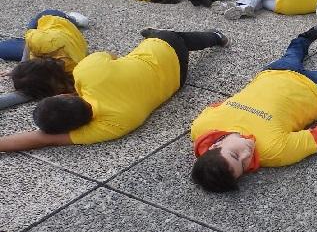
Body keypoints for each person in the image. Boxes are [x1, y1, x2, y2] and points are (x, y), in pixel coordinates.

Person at [190, 26, 317, 193]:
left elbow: (217, 105)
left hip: (274, 72)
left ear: (215, 145)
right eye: (243, 165)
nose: (246, 155)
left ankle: (304, 38)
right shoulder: (273, 152)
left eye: (235, 155)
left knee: (293, 52)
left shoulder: (201, 127)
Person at [0, 28, 229, 152]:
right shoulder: (86, 72)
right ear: (64, 95)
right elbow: (111, 56)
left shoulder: (112, 126)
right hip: (162, 47)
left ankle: (155, 33)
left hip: (178, 80)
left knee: (168, 43)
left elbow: (42, 140)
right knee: (176, 37)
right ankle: (216, 36)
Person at [0, 10, 89, 109]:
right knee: (29, 29)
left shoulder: (76, 72)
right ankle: (72, 20)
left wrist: (22, 67)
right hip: (54, 26)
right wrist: (21, 67)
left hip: (55, 25)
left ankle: (72, 19)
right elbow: (30, 40)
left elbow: (28, 93)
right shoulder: (41, 43)